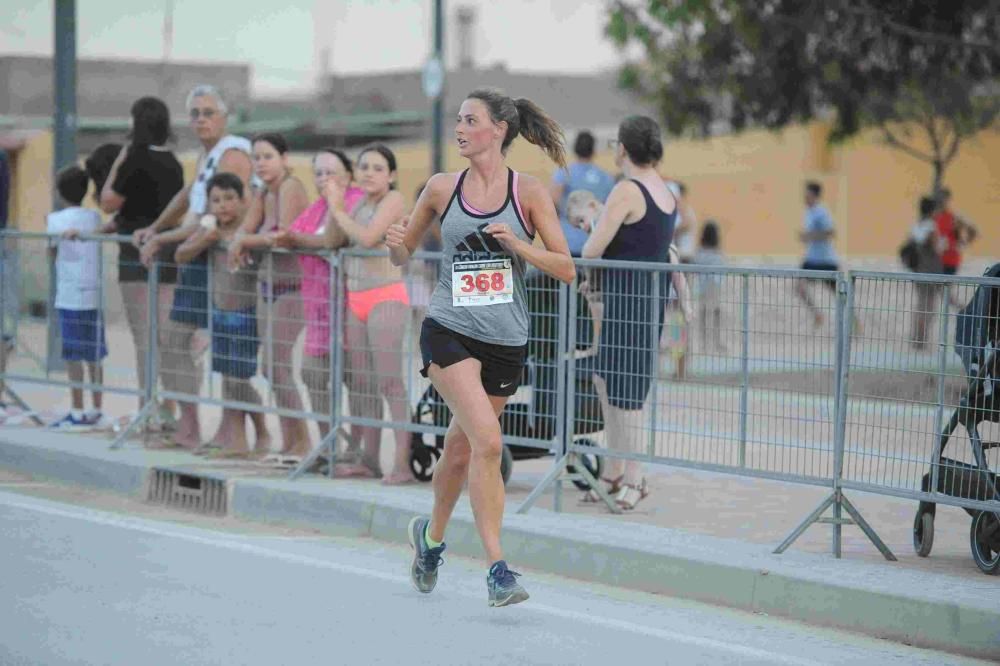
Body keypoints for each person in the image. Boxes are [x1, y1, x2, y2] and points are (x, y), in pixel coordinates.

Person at [387, 88, 574, 606]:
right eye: (459, 121)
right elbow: (403, 255)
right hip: (449, 329)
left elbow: (567, 267)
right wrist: (395, 243)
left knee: (462, 447)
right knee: (489, 443)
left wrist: (519, 245)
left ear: (499, 129)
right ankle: (498, 570)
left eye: (471, 120)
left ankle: (429, 540)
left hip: (505, 340)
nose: (461, 129)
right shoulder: (442, 188)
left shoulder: (529, 193)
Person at [133, 84, 259, 451]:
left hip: (221, 262)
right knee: (175, 338)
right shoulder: (207, 156)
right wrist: (157, 228)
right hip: (199, 257)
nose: (201, 120)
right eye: (195, 114)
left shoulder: (233, 154)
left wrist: (165, 238)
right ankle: (190, 425)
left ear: (224, 117)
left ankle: (245, 432)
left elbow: (212, 218)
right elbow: (189, 196)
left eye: (208, 112)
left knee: (229, 356)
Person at [581, 115, 677, 511]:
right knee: (607, 379)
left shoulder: (626, 190)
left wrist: (591, 223)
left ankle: (636, 477)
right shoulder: (666, 190)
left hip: (628, 299)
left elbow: (592, 250)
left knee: (627, 394)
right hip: (647, 297)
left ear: (622, 148)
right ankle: (613, 469)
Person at [324, 145, 415, 484]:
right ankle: (369, 459)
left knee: (390, 383)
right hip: (355, 297)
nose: (369, 173)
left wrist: (336, 207)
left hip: (385, 298)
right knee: (363, 386)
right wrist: (335, 207)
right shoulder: (358, 203)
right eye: (363, 167)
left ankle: (402, 463)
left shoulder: (393, 200)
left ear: (391, 175)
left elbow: (366, 238)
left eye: (378, 168)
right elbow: (333, 239)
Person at [98, 96, 185, 439]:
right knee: (164, 339)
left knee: (144, 340)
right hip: (166, 253)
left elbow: (108, 201)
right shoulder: (174, 162)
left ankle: (147, 411)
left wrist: (121, 156)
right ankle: (169, 412)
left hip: (136, 258)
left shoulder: (134, 157)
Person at [229, 133, 310, 465]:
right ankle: (288, 441)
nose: (261, 163)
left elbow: (285, 235)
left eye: (267, 156)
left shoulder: (291, 187)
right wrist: (242, 239)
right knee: (270, 366)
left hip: (293, 288)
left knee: (278, 365)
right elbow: (244, 230)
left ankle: (302, 441)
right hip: (267, 286)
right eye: (256, 157)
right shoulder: (263, 192)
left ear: (284, 158)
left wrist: (245, 241)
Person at [273, 147, 363, 443]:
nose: (324, 179)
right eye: (319, 173)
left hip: (352, 307)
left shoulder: (356, 203)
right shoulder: (315, 208)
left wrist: (299, 240)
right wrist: (298, 239)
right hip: (318, 309)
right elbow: (292, 236)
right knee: (312, 375)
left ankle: (359, 451)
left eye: (331, 173)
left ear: (348, 176)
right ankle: (330, 445)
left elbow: (331, 241)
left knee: (356, 382)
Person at [176, 173, 270, 456]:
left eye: (229, 199)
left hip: (245, 315)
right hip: (219, 315)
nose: (223, 206)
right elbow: (181, 254)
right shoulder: (211, 230)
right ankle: (237, 440)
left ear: (244, 201)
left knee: (239, 380)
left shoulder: (247, 232)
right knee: (227, 380)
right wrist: (206, 240)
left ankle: (262, 430)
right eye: (216, 200)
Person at [46, 166, 108, 430]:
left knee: (73, 356)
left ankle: (77, 410)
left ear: (60, 193)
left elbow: (50, 253)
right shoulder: (94, 218)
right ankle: (97, 409)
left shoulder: (54, 220)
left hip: (69, 295)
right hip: (93, 294)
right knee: (94, 356)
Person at [549, 130, 614, 257]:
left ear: (575, 148)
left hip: (567, 242)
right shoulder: (606, 177)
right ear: (593, 150)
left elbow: (552, 202)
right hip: (595, 244)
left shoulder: (564, 173)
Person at [795, 181, 839, 327]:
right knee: (799, 288)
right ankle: (817, 314)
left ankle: (853, 320)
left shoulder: (822, 212)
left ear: (814, 195)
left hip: (826, 261)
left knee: (839, 294)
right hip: (811, 259)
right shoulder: (808, 212)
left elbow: (830, 232)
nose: (804, 197)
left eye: (807, 194)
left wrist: (810, 236)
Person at [909, 196, 947, 350]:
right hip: (931, 271)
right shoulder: (931, 226)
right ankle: (921, 340)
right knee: (929, 309)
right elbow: (937, 248)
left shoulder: (916, 226)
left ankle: (917, 338)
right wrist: (944, 243)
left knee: (921, 306)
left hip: (919, 271)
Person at [934, 188, 979, 309]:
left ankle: (962, 309)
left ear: (947, 200)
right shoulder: (934, 217)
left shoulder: (953, 217)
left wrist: (963, 244)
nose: (941, 202)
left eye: (943, 199)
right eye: (939, 199)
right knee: (940, 293)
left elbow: (974, 231)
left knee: (945, 293)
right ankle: (960, 308)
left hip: (951, 260)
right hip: (937, 261)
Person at [694, 220, 726, 352]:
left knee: (704, 313)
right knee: (715, 313)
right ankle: (716, 341)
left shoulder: (700, 252)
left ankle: (704, 343)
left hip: (702, 286)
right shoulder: (718, 254)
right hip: (715, 286)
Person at [666, 181, 698, 262]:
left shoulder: (686, 211)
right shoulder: (676, 212)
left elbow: (685, 225)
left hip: (685, 255)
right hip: (676, 254)